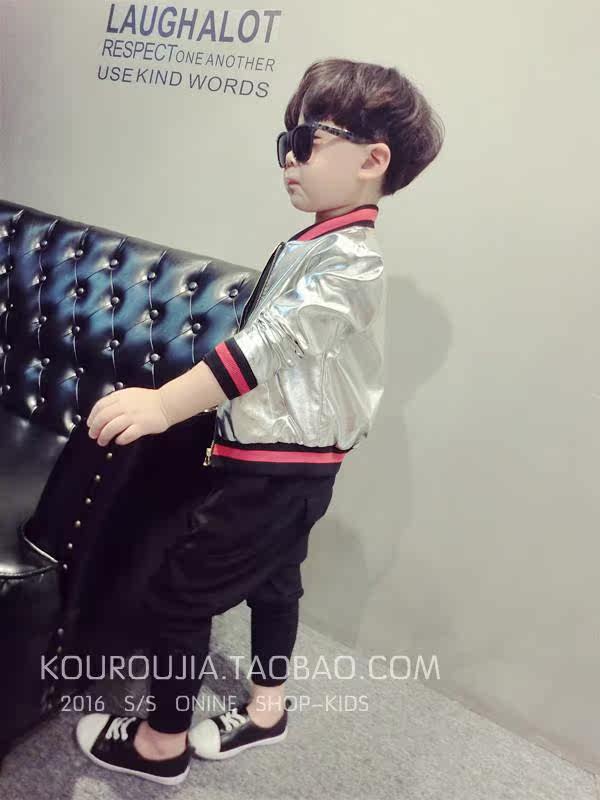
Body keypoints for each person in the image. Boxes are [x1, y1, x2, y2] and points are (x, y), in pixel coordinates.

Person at [74, 57, 444, 785]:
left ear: (372, 161)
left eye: (305, 141)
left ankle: (159, 743)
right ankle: (267, 709)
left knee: (179, 593)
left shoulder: (352, 264)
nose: (288, 160)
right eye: (285, 143)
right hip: (288, 459)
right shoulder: (320, 244)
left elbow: (264, 348)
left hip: (279, 463)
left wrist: (162, 404)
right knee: (276, 578)